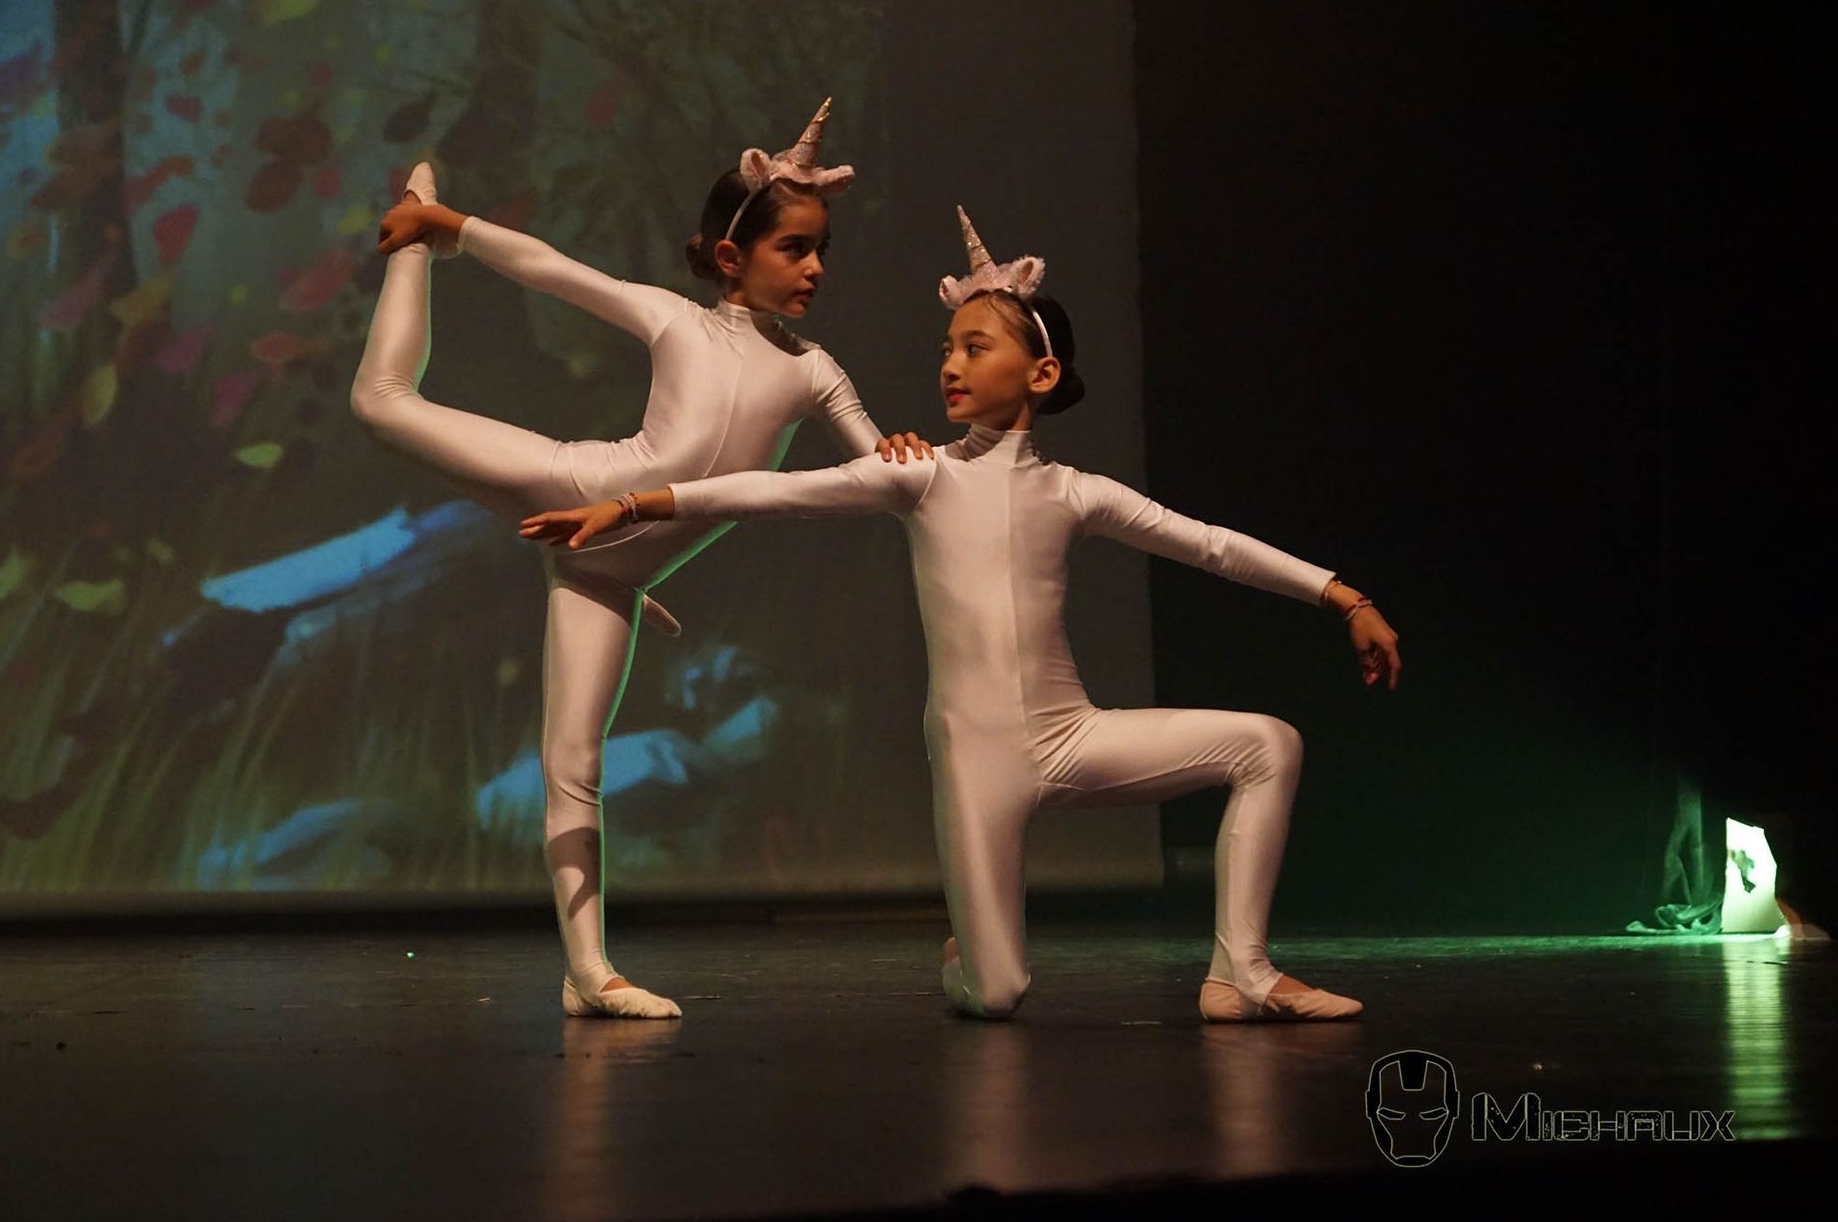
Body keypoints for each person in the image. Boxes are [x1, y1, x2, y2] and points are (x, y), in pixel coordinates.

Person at [519, 208, 1402, 1022]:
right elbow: (767, 490)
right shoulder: (921, 476)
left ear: (1041, 373)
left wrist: (1342, 595)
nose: (950, 364)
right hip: (979, 766)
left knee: (1268, 744)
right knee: (998, 993)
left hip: (1073, 737)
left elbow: (1209, 543)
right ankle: (968, 957)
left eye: (976, 348)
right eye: (947, 347)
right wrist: (634, 507)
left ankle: (1238, 972)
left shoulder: (1076, 492)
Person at [350, 100, 931, 1019]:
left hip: (610, 571)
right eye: (796, 249)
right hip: (569, 481)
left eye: (821, 250)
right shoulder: (674, 321)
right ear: (734, 258)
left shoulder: (816, 370)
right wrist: (449, 225)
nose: (817, 268)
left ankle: (589, 974)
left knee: (574, 760)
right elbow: (556, 272)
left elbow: (875, 474)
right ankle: (414, 236)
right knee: (380, 401)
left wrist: (899, 450)